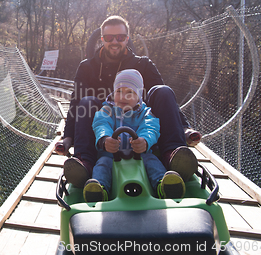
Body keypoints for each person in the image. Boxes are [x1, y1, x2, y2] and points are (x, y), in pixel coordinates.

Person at [58, 15, 199, 189]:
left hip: (140, 125)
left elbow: (167, 99)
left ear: (127, 39)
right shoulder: (87, 67)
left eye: (120, 37)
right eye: (109, 38)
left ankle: (173, 156)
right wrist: (68, 137)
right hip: (104, 130)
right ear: (102, 39)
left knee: (162, 90)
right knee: (86, 101)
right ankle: (84, 163)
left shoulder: (143, 64)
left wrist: (184, 127)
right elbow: (76, 103)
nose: (115, 42)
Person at [83, 69, 185, 202]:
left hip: (140, 153)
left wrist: (145, 141)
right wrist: (105, 139)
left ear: (139, 96)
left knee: (152, 161)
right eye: (119, 91)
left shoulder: (145, 112)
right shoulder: (107, 109)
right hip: (112, 154)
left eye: (130, 92)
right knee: (102, 164)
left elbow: (151, 127)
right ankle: (99, 189)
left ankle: (163, 185)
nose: (123, 96)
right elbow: (101, 123)